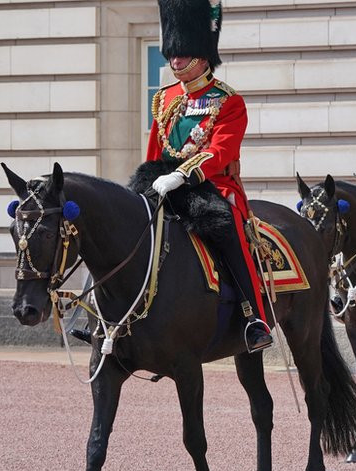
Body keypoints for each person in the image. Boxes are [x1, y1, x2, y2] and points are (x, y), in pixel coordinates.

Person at [148, 0, 272, 351]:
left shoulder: (229, 101)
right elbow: (154, 151)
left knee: (229, 233)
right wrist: (148, 181)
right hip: (164, 183)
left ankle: (254, 318)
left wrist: (183, 175)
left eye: (182, 52)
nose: (175, 60)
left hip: (210, 186)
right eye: (172, 52)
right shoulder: (165, 98)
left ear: (202, 54)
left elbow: (220, 153)